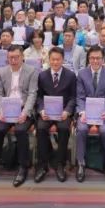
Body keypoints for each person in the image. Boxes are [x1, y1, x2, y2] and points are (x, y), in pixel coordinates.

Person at [0, 45, 39, 187]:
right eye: (10, 58)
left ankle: (23, 167)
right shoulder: (2, 72)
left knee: (20, 130)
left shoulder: (32, 71)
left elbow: (32, 94)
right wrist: (0, 111)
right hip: (7, 108)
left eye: (16, 57)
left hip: (23, 108)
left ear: (22, 57)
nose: (13, 60)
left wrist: (25, 112)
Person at [33, 47, 77, 183]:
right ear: (49, 60)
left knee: (63, 128)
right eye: (53, 59)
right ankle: (43, 165)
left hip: (63, 113)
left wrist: (67, 111)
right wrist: (41, 110)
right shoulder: (42, 75)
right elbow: (38, 97)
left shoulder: (71, 75)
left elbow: (73, 97)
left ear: (63, 60)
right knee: (40, 128)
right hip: (47, 112)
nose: (55, 62)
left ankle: (60, 164)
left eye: (58, 59)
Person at [75, 45, 105, 182]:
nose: (95, 61)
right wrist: (82, 112)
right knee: (81, 129)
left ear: (103, 59)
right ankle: (80, 163)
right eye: (92, 58)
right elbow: (80, 97)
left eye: (98, 58)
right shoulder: (82, 74)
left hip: (102, 112)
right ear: (88, 59)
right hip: (86, 112)